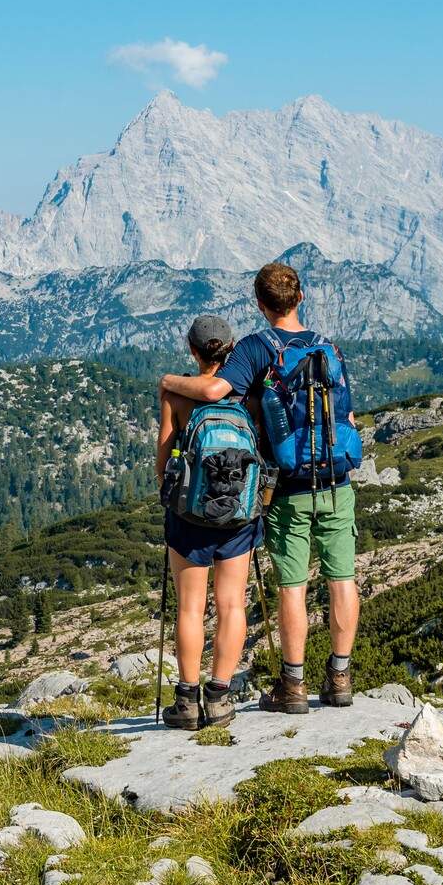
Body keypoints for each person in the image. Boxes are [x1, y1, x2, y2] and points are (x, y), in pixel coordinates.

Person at [160, 262, 358, 715]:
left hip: (287, 485)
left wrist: (169, 384)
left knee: (292, 586)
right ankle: (340, 677)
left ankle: (291, 685)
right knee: (341, 578)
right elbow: (344, 416)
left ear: (259, 303)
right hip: (337, 480)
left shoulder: (256, 348)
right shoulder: (330, 348)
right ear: (301, 297)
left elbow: (213, 392)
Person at [156, 314, 253, 730]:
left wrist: (172, 496)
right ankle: (219, 699)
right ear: (231, 350)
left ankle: (186, 701)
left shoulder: (176, 395)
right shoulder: (245, 393)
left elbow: (163, 459)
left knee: (191, 607)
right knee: (232, 604)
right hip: (237, 514)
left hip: (190, 516)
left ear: (193, 351)